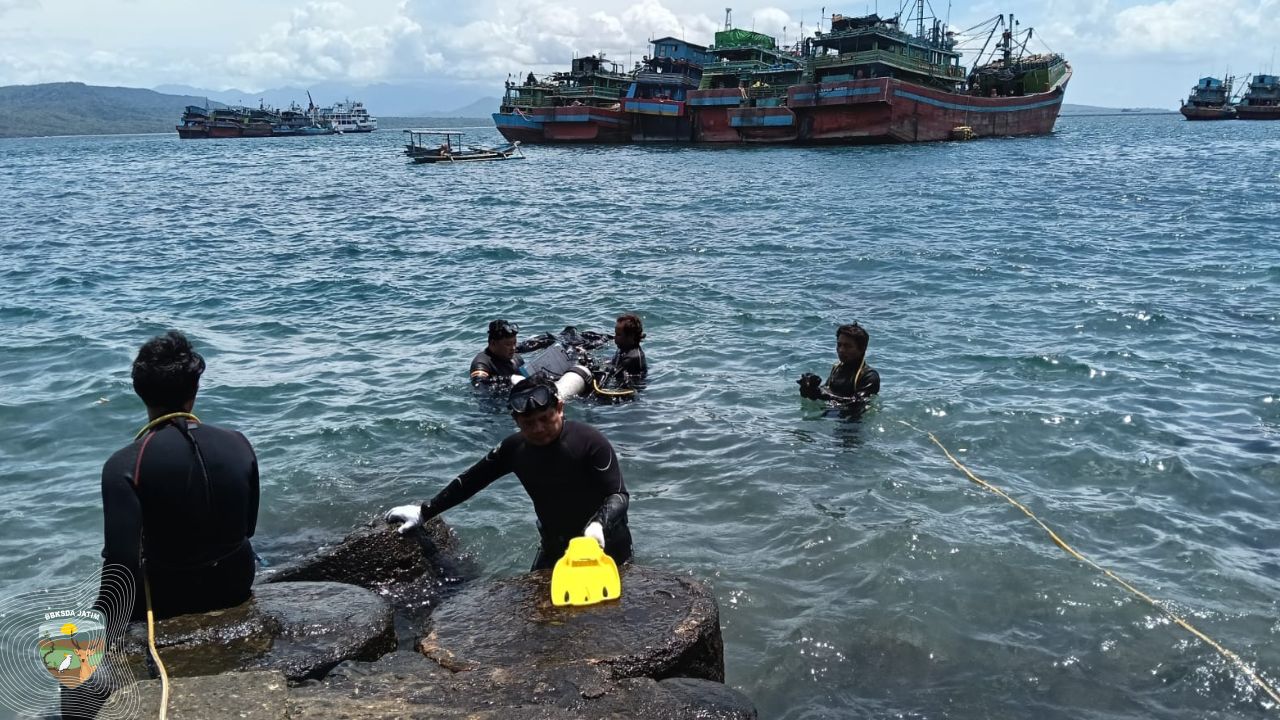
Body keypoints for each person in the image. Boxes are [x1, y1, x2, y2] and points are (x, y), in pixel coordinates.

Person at [67, 331, 260, 719]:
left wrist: (97, 623)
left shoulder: (124, 465)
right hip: (236, 581)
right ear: (195, 388)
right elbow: (249, 528)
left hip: (168, 597)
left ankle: (76, 714)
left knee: (65, 639)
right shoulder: (239, 443)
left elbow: (121, 564)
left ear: (139, 391)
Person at [385, 376, 632, 570]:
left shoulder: (590, 441)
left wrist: (598, 525)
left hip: (605, 544)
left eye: (545, 419)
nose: (538, 429)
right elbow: (470, 482)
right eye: (528, 423)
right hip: (554, 547)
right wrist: (424, 511)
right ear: (516, 420)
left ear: (559, 408)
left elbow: (618, 495)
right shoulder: (515, 448)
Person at [798, 322, 880, 404]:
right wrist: (810, 386)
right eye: (839, 345)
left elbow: (858, 402)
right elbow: (826, 390)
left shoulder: (869, 376)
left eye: (847, 346)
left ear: (862, 348)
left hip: (851, 415)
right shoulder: (836, 368)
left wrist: (822, 395)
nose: (841, 350)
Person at [470, 319, 526, 387]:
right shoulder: (481, 363)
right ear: (493, 343)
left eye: (514, 343)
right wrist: (509, 379)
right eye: (508, 344)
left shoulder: (517, 358)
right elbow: (479, 385)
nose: (513, 348)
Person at [606, 313, 647, 379]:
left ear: (631, 336)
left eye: (618, 335)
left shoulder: (632, 358)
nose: (614, 337)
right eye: (615, 333)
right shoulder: (624, 347)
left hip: (633, 386)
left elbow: (614, 376)